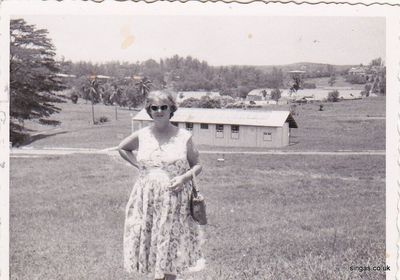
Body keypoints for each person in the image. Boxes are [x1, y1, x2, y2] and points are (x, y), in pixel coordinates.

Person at [118, 90, 203, 280]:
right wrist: (139, 166)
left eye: (163, 107)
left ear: (171, 109)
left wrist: (183, 178)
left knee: (170, 244)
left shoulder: (183, 136)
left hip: (175, 199)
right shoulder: (142, 134)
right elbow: (122, 148)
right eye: (154, 107)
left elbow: (197, 165)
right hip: (147, 198)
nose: (159, 111)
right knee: (152, 242)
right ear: (149, 111)